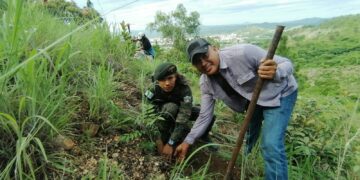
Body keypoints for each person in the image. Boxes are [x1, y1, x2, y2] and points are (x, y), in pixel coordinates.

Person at [175, 38, 298, 180]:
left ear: (215, 48)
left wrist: (275, 72)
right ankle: (247, 160)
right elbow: (204, 116)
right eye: (197, 61)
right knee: (251, 132)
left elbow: (287, 63)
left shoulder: (243, 53)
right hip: (253, 100)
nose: (203, 63)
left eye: (205, 56)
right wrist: (187, 141)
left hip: (280, 93)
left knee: (270, 144)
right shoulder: (206, 83)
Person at [145, 62, 215, 160]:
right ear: (157, 80)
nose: (167, 83)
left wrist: (171, 143)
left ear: (176, 77)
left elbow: (184, 115)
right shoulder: (153, 88)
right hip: (163, 113)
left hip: (181, 111)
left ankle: (204, 135)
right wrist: (158, 139)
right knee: (171, 108)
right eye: (162, 80)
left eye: (170, 78)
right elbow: (147, 112)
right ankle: (165, 134)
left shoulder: (184, 88)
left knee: (209, 115)